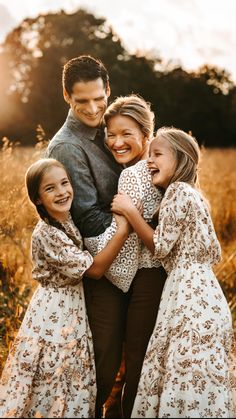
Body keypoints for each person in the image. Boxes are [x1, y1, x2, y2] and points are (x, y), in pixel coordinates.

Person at [111, 127, 236, 418]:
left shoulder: (178, 192)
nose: (149, 161)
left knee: (184, 367)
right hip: (205, 292)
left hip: (189, 296)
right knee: (195, 373)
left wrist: (130, 212)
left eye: (157, 154)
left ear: (180, 159)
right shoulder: (194, 195)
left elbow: (159, 246)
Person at [0, 158, 130, 418]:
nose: (61, 192)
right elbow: (94, 270)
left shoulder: (68, 220)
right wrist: (124, 229)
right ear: (37, 199)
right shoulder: (47, 233)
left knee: (70, 375)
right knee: (53, 373)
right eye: (50, 188)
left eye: (64, 183)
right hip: (54, 314)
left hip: (72, 310)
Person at [45, 55, 125, 417]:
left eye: (99, 98)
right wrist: (138, 219)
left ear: (108, 89)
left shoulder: (110, 128)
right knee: (99, 370)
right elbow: (90, 220)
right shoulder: (67, 146)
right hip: (98, 271)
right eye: (82, 102)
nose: (93, 108)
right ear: (66, 97)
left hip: (124, 259)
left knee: (127, 365)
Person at [84, 95, 167, 418]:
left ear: (147, 133)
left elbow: (129, 250)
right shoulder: (161, 166)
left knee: (136, 362)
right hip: (163, 277)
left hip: (148, 276)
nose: (116, 142)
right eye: (111, 134)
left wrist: (107, 275)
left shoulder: (132, 175)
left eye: (126, 134)